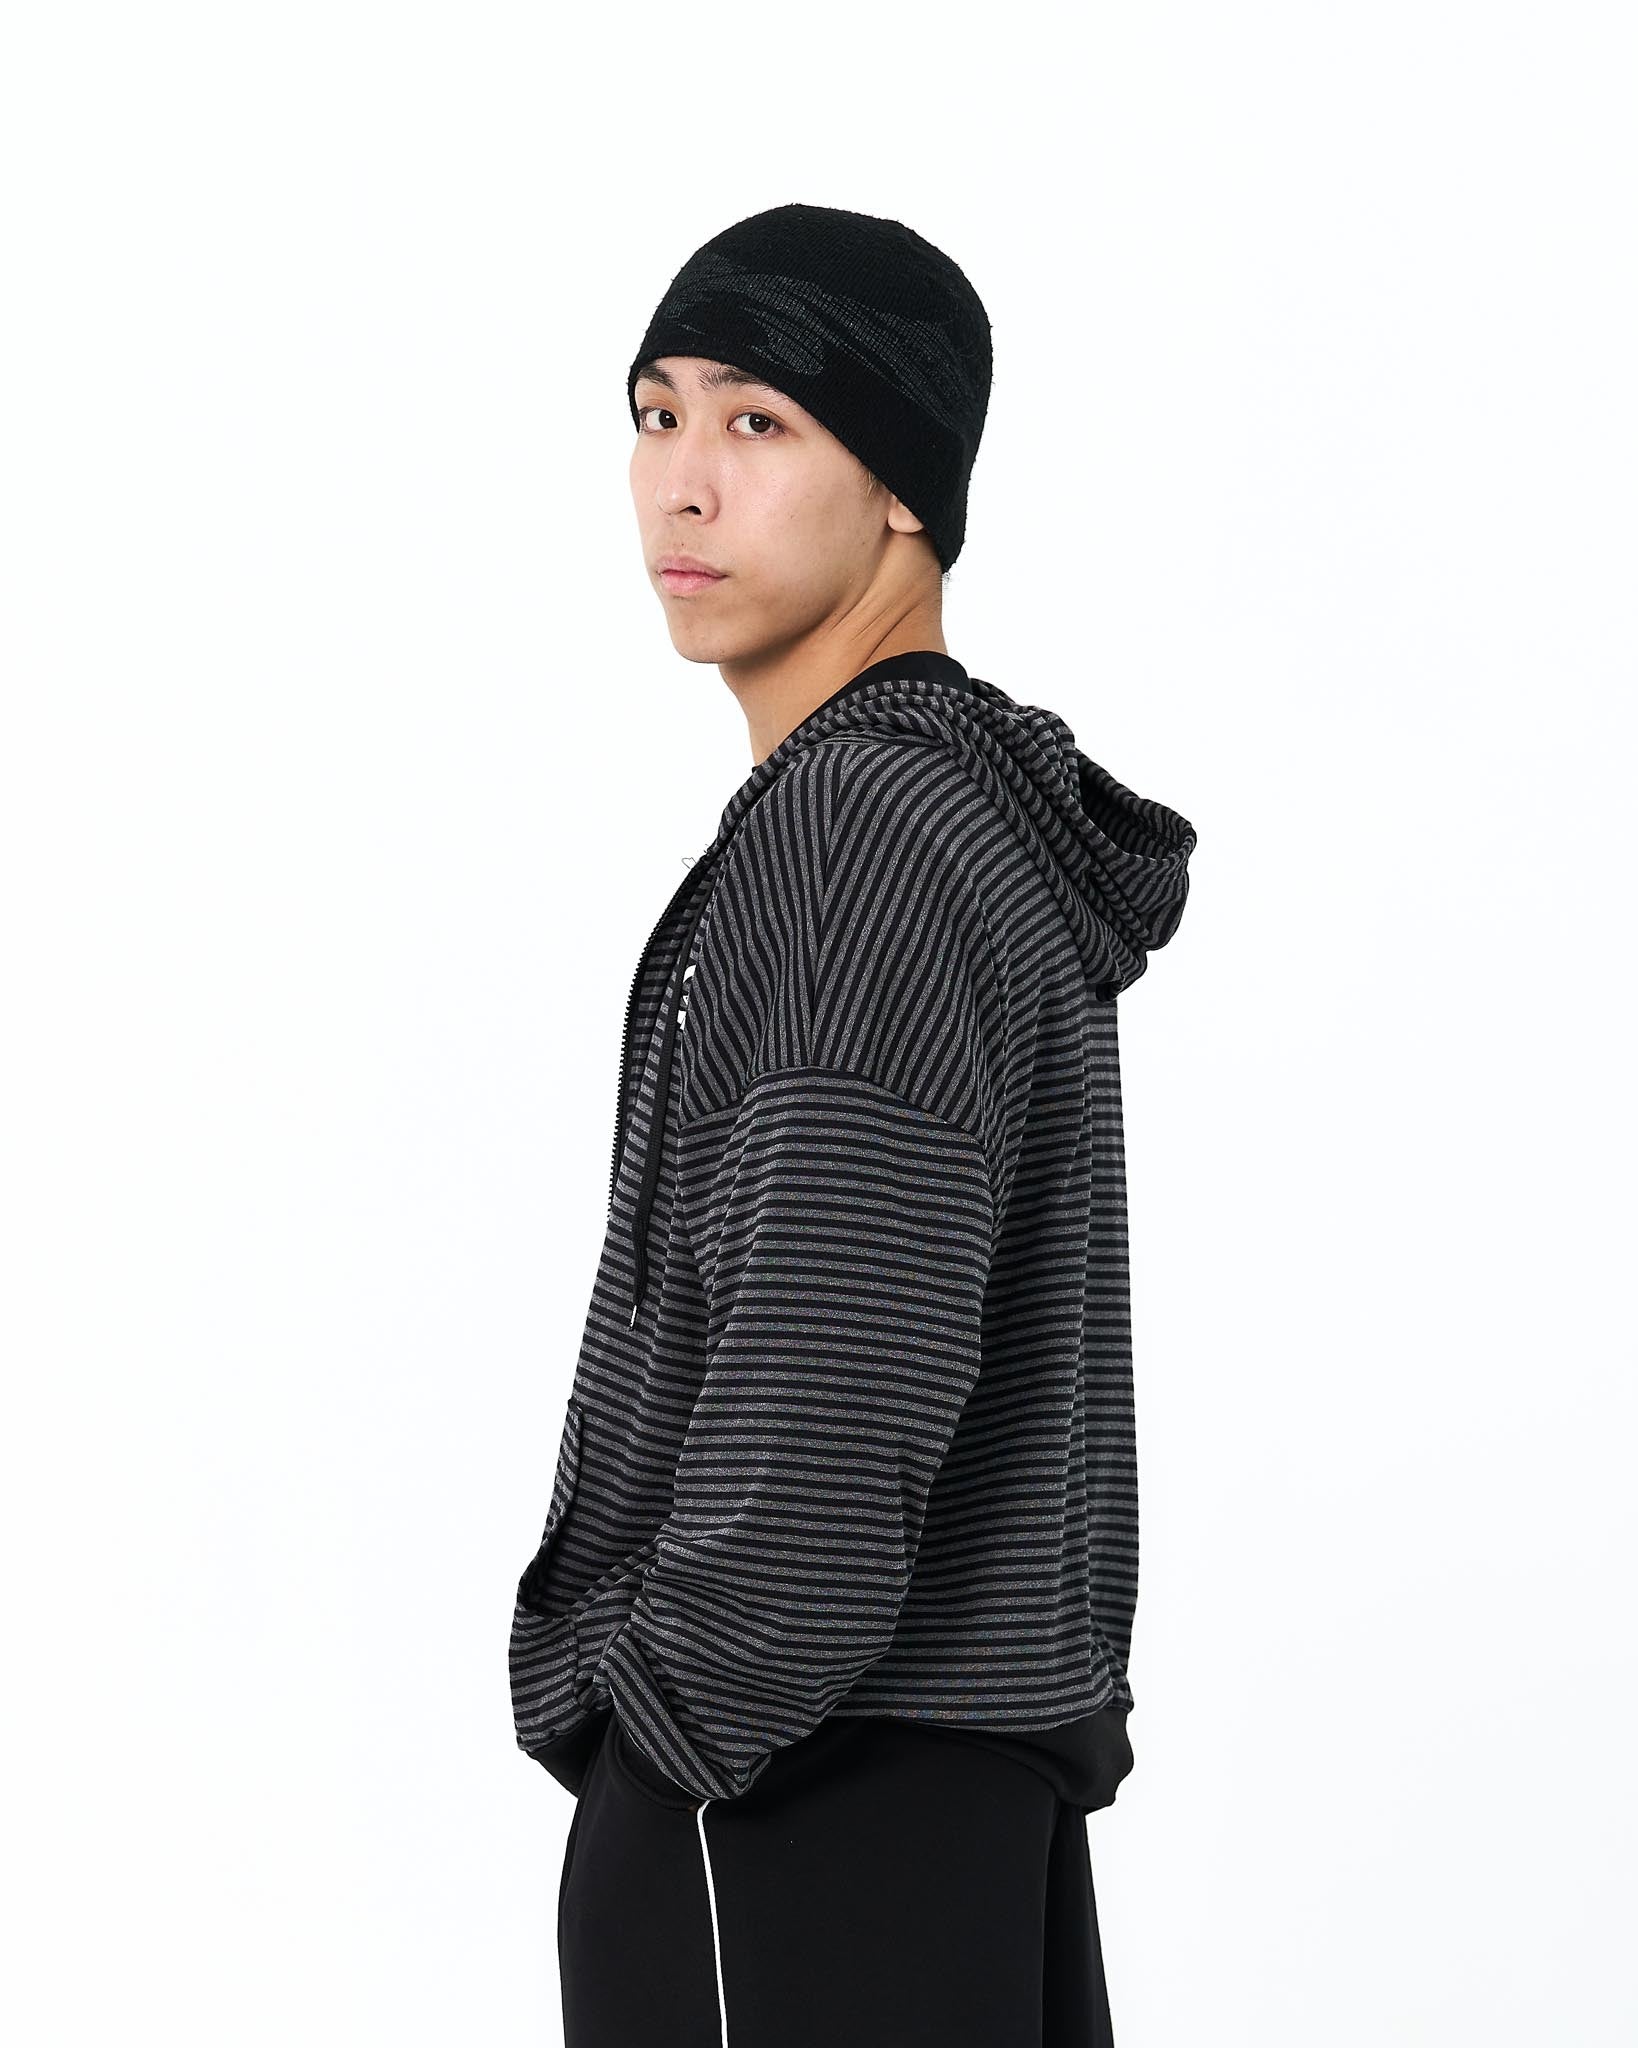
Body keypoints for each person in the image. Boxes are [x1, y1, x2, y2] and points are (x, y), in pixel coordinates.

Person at [508, 200, 1197, 2048]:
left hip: (793, 1802)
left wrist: (671, 1736)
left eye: (758, 421)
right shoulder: (962, 825)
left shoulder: (859, 834)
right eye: (654, 415)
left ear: (903, 485)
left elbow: (838, 1359)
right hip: (950, 1798)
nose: (679, 482)